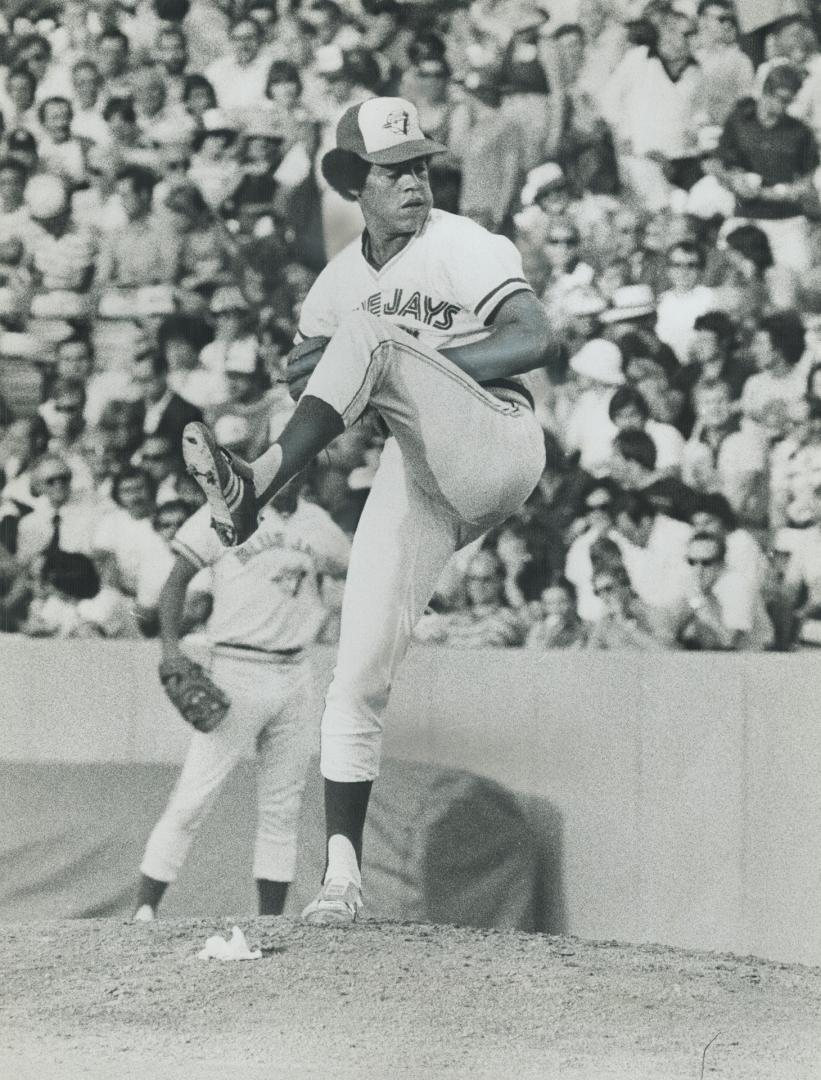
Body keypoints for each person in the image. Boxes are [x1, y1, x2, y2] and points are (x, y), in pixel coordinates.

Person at [180, 95, 550, 924]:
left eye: (422, 164)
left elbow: (535, 337)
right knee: (352, 678)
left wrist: (411, 353)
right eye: (396, 170)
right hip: (418, 472)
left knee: (375, 337)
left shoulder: (464, 243)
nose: (416, 180)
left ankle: (254, 490)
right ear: (354, 181)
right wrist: (303, 376)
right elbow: (316, 386)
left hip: (497, 439)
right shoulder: (336, 281)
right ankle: (341, 881)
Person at [133, 479, 351, 920]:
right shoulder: (228, 511)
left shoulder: (319, 524)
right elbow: (176, 580)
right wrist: (171, 648)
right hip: (236, 666)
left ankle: (269, 922)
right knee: (193, 798)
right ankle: (142, 912)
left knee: (282, 808)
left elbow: (354, 569)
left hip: (296, 671)